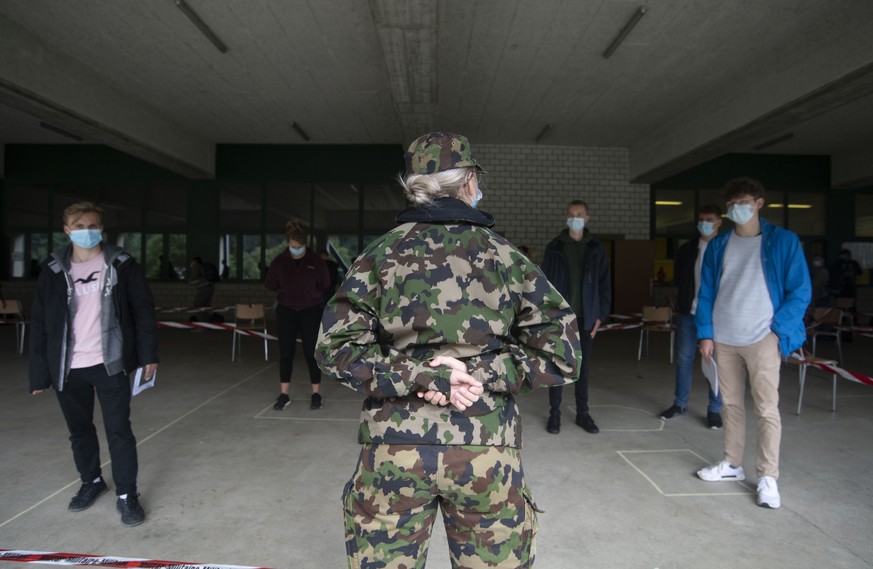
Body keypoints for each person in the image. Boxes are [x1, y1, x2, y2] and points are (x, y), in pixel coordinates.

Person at [316, 132, 581, 568]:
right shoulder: (506, 258)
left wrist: (424, 375)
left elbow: (335, 349)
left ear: (415, 186)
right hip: (485, 451)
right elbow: (563, 352)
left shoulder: (378, 256)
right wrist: (477, 373)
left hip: (392, 454)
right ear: (470, 182)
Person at [29, 202, 159, 526]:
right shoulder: (53, 270)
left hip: (109, 363)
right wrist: (38, 373)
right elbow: (40, 321)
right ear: (67, 229)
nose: (86, 230)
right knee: (79, 431)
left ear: (101, 228)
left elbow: (143, 311)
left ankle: (127, 494)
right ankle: (92, 481)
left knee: (119, 430)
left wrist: (148, 356)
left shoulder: (122, 265)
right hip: (67, 368)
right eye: (79, 225)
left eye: (92, 225)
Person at [695, 178, 811, 509]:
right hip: (724, 338)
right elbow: (706, 292)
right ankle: (732, 463)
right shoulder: (719, 244)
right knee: (730, 404)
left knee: (766, 408)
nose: (736, 209)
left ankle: (768, 476)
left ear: (759, 203)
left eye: (743, 202)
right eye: (731, 205)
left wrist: (777, 332)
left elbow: (800, 291)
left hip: (763, 337)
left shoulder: (784, 242)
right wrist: (706, 333)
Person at [541, 199, 611, 435]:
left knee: (583, 369)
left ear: (587, 218)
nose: (575, 218)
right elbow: (544, 286)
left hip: (586, 318)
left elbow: (604, 284)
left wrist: (601, 315)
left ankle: (583, 414)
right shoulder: (555, 248)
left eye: (580, 214)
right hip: (561, 320)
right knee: (558, 368)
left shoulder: (596, 249)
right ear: (566, 217)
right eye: (571, 214)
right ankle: (554, 415)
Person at [660, 205, 724, 429]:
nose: (704, 223)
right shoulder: (688, 249)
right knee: (684, 360)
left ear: (719, 222)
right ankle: (680, 404)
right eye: (701, 219)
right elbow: (680, 277)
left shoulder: (725, 247)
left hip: (717, 316)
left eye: (709, 219)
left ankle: (715, 409)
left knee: (715, 363)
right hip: (689, 313)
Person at [265, 221, 330, 410]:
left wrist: (312, 295)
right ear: (288, 244)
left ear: (305, 244)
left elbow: (325, 283)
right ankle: (284, 395)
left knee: (311, 353)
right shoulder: (280, 261)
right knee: (286, 353)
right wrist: (286, 290)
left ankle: (316, 394)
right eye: (293, 247)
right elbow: (270, 283)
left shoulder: (316, 261)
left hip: (310, 310)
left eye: (299, 247)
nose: (296, 250)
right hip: (286, 310)